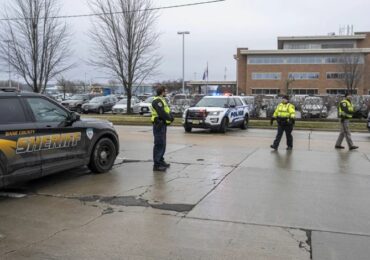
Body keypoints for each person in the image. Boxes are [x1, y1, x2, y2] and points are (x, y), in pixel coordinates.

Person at [151, 86, 174, 171]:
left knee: (163, 144)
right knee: (159, 144)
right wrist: (169, 118)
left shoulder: (162, 100)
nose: (166, 92)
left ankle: (161, 161)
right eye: (165, 91)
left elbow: (167, 110)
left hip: (162, 125)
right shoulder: (157, 101)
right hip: (158, 124)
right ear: (162, 92)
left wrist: (171, 116)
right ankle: (156, 165)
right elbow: (161, 113)